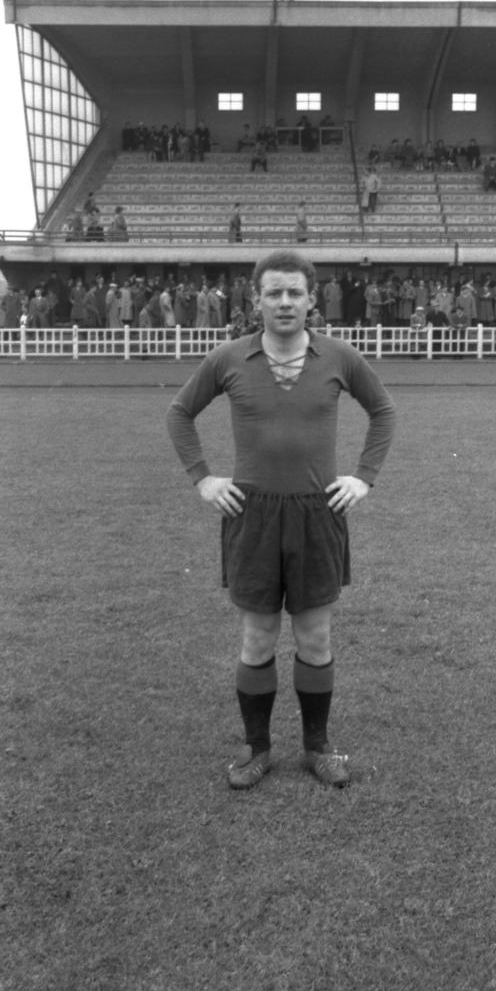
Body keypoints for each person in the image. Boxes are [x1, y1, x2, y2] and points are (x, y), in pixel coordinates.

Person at [166, 249, 396, 790]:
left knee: (315, 636)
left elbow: (383, 411)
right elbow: (179, 412)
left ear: (312, 299)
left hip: (319, 513)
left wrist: (363, 476)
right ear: (257, 299)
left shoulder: (340, 356)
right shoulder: (228, 359)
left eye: (295, 292)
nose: (286, 302)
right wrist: (204, 478)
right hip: (253, 514)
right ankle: (257, 748)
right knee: (258, 636)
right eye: (275, 292)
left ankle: (317, 748)